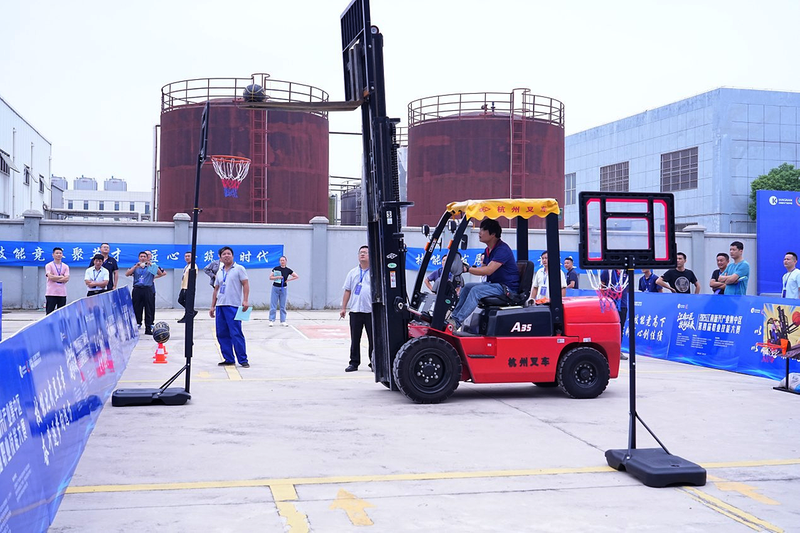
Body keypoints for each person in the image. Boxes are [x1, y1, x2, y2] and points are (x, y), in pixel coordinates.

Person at [447, 219, 519, 331]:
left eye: (483, 230)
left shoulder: (502, 250)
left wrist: (468, 269)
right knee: (467, 287)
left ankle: (457, 322)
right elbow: (483, 269)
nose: (479, 233)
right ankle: (453, 318)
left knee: (476, 291)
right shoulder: (488, 250)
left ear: (493, 234)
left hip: (506, 288)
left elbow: (488, 270)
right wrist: (467, 268)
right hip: (495, 285)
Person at [210, 246, 250, 367]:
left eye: (229, 254)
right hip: (220, 306)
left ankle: (243, 359)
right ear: (220, 257)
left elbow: (245, 284)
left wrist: (245, 300)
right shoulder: (219, 272)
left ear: (232, 256)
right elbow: (216, 290)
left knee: (236, 333)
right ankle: (228, 358)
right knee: (221, 333)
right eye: (224, 254)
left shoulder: (239, 269)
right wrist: (212, 306)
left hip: (233, 306)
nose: (226, 256)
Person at [341, 246, 373, 372]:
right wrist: (343, 308)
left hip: (371, 311)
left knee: (373, 339)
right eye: (361, 252)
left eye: (365, 252)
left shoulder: (374, 273)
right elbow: (347, 291)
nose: (362, 254)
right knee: (355, 339)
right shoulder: (352, 273)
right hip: (355, 311)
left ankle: (374, 362)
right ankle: (354, 363)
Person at [126, 251, 158, 334]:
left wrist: (152, 266)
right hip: (137, 289)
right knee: (136, 308)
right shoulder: (135, 266)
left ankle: (148, 328)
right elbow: (127, 274)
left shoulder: (151, 266)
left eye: (144, 256)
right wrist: (135, 267)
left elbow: (160, 273)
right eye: (141, 256)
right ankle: (136, 326)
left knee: (149, 309)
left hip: (148, 289)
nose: (143, 258)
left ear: (147, 258)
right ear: (139, 258)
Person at [601, 269, 630, 360]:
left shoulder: (627, 272)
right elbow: (602, 286)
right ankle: (605, 350)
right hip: (610, 305)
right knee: (608, 328)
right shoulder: (607, 272)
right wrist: (605, 300)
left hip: (622, 305)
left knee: (620, 328)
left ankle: (618, 351)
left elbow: (628, 288)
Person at [269, 255, 299, 327]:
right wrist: (277, 277)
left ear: (286, 261)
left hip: (283, 288)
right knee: (273, 305)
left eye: (283, 260)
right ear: (279, 261)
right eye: (281, 260)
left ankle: (283, 320)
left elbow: (296, 276)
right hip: (275, 287)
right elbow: (270, 277)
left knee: (282, 305)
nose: (282, 262)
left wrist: (288, 280)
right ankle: (271, 320)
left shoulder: (288, 270)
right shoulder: (276, 269)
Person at [44, 247, 70, 314]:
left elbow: (66, 278)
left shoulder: (65, 266)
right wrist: (61, 277)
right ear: (53, 255)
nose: (59, 255)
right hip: (51, 293)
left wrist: (54, 277)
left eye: (60, 253)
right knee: (49, 313)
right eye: (57, 253)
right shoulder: (49, 265)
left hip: (62, 293)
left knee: (62, 314)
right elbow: (50, 277)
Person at [177, 251, 199, 323]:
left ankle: (187, 316)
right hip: (184, 286)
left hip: (188, 287)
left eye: (188, 256)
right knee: (180, 300)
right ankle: (191, 311)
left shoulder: (193, 266)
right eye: (186, 256)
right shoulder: (187, 266)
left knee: (188, 303)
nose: (187, 258)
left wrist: (190, 287)